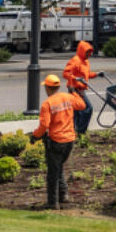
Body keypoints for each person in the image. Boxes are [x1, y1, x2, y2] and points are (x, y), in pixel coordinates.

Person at [33, 73, 86, 210]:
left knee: (52, 173)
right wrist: (74, 92)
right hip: (70, 141)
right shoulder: (67, 97)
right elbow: (81, 105)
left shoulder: (48, 103)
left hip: (56, 141)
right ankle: (64, 195)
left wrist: (35, 136)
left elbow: (44, 125)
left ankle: (53, 203)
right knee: (59, 166)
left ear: (48, 88)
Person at [62, 40, 100, 135]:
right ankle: (80, 131)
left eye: (90, 52)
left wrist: (97, 74)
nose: (89, 54)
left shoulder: (86, 62)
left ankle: (75, 131)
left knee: (77, 112)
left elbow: (86, 75)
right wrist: (75, 78)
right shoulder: (75, 60)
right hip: (74, 89)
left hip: (81, 89)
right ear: (82, 50)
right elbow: (66, 73)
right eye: (87, 52)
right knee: (88, 108)